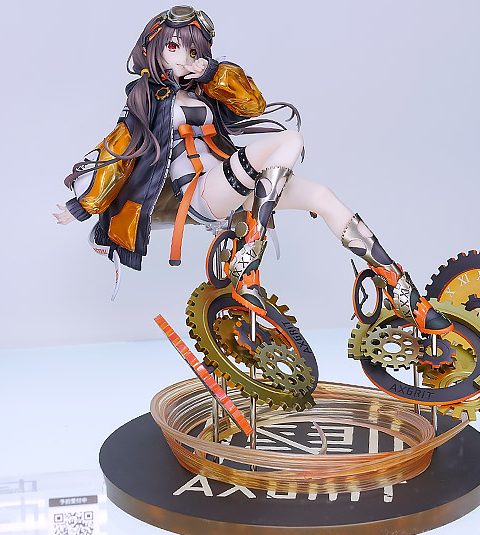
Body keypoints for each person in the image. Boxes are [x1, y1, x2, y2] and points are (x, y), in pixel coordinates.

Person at [54, 5, 452, 335]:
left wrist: (211, 73)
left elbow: (253, 104)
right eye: (172, 47)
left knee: (323, 197)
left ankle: (403, 290)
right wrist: (84, 205)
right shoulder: (147, 99)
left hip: (236, 183)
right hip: (199, 192)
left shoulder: (208, 87)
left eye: (192, 49)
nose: (182, 57)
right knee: (289, 141)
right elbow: (119, 150)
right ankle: (248, 260)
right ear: (154, 48)